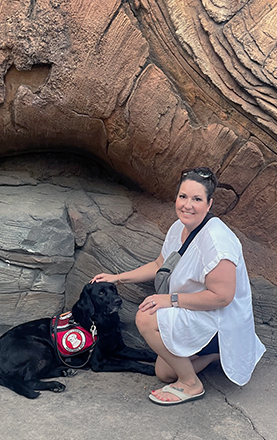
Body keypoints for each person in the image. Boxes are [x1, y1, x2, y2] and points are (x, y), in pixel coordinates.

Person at [92, 167, 265, 405]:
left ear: (209, 203)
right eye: (183, 196)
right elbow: (160, 264)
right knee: (164, 372)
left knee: (145, 316)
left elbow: (222, 297)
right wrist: (117, 277)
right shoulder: (179, 227)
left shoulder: (216, 241)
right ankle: (217, 356)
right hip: (195, 312)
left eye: (197, 199)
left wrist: (169, 300)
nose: (187, 205)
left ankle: (192, 384)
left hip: (218, 320)